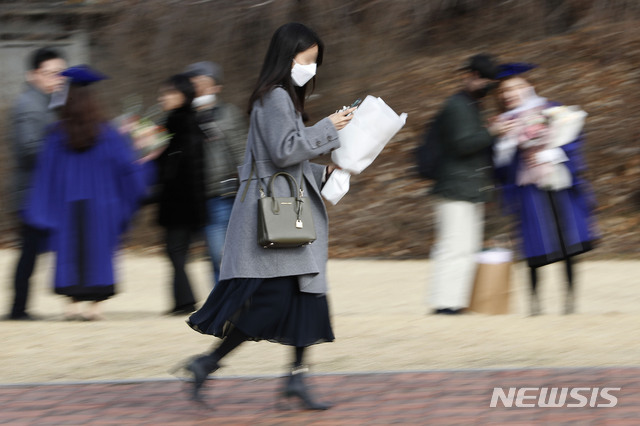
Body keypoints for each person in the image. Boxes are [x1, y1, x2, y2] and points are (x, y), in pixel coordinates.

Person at [177, 22, 355, 409]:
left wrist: (322, 172)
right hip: (276, 216)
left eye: (315, 62)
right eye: (307, 60)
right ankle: (207, 364)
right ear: (287, 56)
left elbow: (279, 163)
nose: (311, 68)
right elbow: (284, 151)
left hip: (284, 212)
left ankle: (294, 379)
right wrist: (330, 127)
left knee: (307, 296)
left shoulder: (280, 98)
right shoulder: (274, 97)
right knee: (277, 300)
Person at [22, 65, 151, 320]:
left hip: (68, 204)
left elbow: (46, 175)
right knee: (98, 249)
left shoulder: (56, 136)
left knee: (69, 249)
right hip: (102, 204)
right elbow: (126, 169)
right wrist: (146, 163)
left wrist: (42, 207)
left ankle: (72, 305)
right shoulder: (108, 134)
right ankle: (95, 307)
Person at [492, 63, 597, 315]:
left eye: (516, 87)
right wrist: (500, 144)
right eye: (505, 91)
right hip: (528, 191)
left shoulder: (551, 109)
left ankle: (570, 303)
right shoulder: (501, 123)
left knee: (568, 242)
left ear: (528, 87)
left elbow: (573, 137)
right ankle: (535, 305)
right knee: (534, 246)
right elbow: (498, 167)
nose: (510, 94)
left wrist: (554, 152)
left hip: (558, 183)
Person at [426, 54, 512, 315]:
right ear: (472, 76)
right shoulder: (457, 105)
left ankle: (454, 302)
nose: (489, 86)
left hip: (468, 188)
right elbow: (463, 144)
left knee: (465, 248)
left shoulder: (470, 105)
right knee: (454, 247)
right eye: (485, 80)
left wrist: (488, 130)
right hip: (455, 188)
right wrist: (493, 131)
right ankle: (445, 304)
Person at [5, 47, 67, 320]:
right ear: (33, 75)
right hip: (31, 193)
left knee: (33, 251)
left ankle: (20, 307)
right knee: (30, 251)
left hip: (43, 192)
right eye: (50, 73)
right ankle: (18, 309)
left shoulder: (50, 103)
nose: (57, 78)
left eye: (61, 73)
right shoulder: (29, 104)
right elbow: (29, 149)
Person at [183, 61, 248, 286]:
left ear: (216, 87)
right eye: (194, 84)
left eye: (203, 83)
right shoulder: (184, 117)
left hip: (227, 192)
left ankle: (229, 302)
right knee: (214, 253)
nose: (198, 88)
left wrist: (249, 185)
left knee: (226, 253)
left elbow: (242, 150)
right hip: (200, 197)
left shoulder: (228, 113)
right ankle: (220, 304)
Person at [155, 74, 208, 316]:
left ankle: (186, 301)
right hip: (177, 200)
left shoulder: (184, 124)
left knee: (176, 252)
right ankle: (181, 301)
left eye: (168, 93)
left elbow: (192, 168)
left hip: (182, 202)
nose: (162, 98)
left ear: (183, 96)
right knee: (175, 252)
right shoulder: (173, 123)